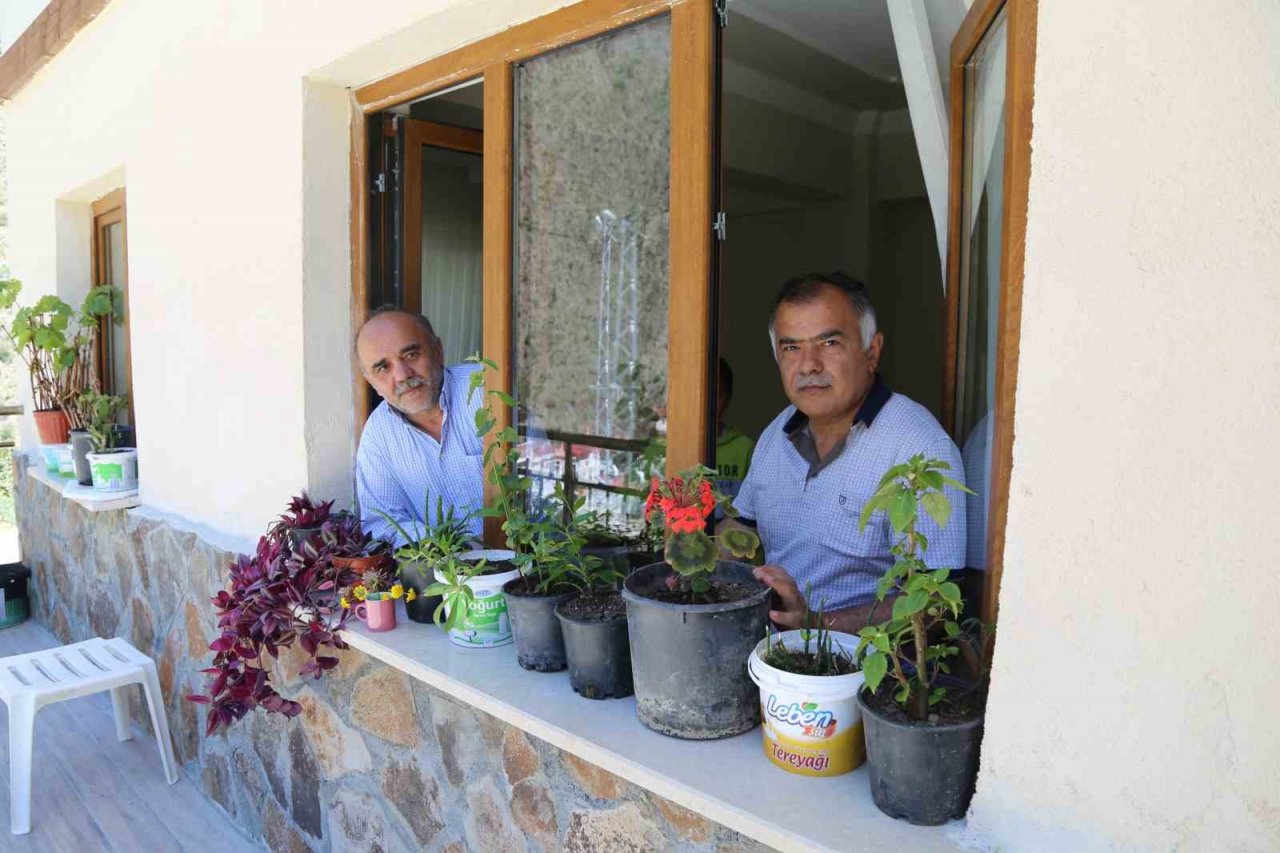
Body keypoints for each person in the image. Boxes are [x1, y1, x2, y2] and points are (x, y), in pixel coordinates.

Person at [730, 272, 967, 631]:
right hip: (770, 650)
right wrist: (691, 552)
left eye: (829, 343)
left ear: (872, 352)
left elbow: (938, 602)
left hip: (865, 660)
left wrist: (818, 626)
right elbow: (741, 530)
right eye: (791, 347)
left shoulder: (918, 448)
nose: (808, 365)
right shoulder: (776, 433)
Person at [354, 308, 484, 543]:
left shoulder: (485, 391)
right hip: (446, 564)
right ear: (371, 382)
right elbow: (381, 522)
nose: (402, 375)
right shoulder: (378, 436)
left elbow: (540, 476)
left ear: (438, 351)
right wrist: (450, 547)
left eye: (411, 355)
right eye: (383, 368)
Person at [713, 358, 755, 515]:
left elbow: (751, 510)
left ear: (727, 399)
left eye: (716, 395)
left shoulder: (744, 448)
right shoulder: (668, 447)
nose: (705, 403)